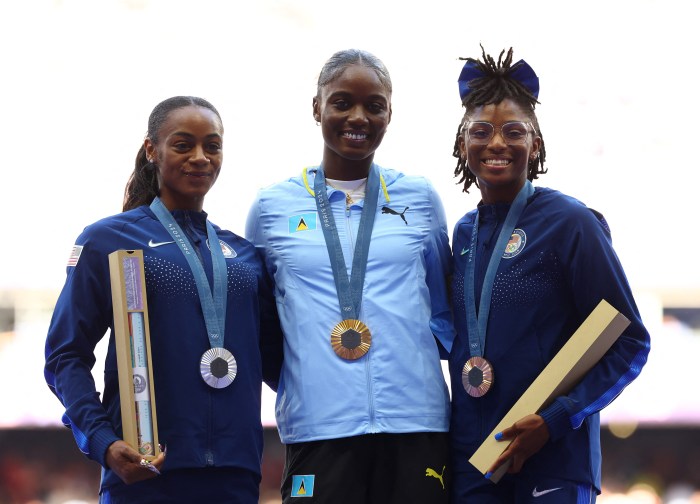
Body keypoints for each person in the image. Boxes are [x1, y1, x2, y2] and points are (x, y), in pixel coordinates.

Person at [44, 96, 281, 504]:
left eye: (212, 145)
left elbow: (279, 360)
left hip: (236, 475)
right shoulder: (108, 241)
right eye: (183, 144)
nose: (200, 158)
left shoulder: (243, 256)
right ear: (152, 149)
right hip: (145, 472)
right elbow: (65, 354)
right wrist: (102, 440)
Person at [245, 49, 454, 504]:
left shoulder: (420, 199)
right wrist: (308, 378)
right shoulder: (271, 207)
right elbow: (262, 323)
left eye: (373, 106)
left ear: (389, 114)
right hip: (317, 429)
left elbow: (441, 311)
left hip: (416, 425)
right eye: (342, 102)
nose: (357, 117)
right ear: (317, 107)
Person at [447, 46, 651, 503]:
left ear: (535, 144)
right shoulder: (462, 234)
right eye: (481, 131)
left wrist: (559, 418)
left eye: (513, 131)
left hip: (554, 462)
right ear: (463, 144)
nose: (496, 143)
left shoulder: (571, 223)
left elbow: (630, 342)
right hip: (474, 464)